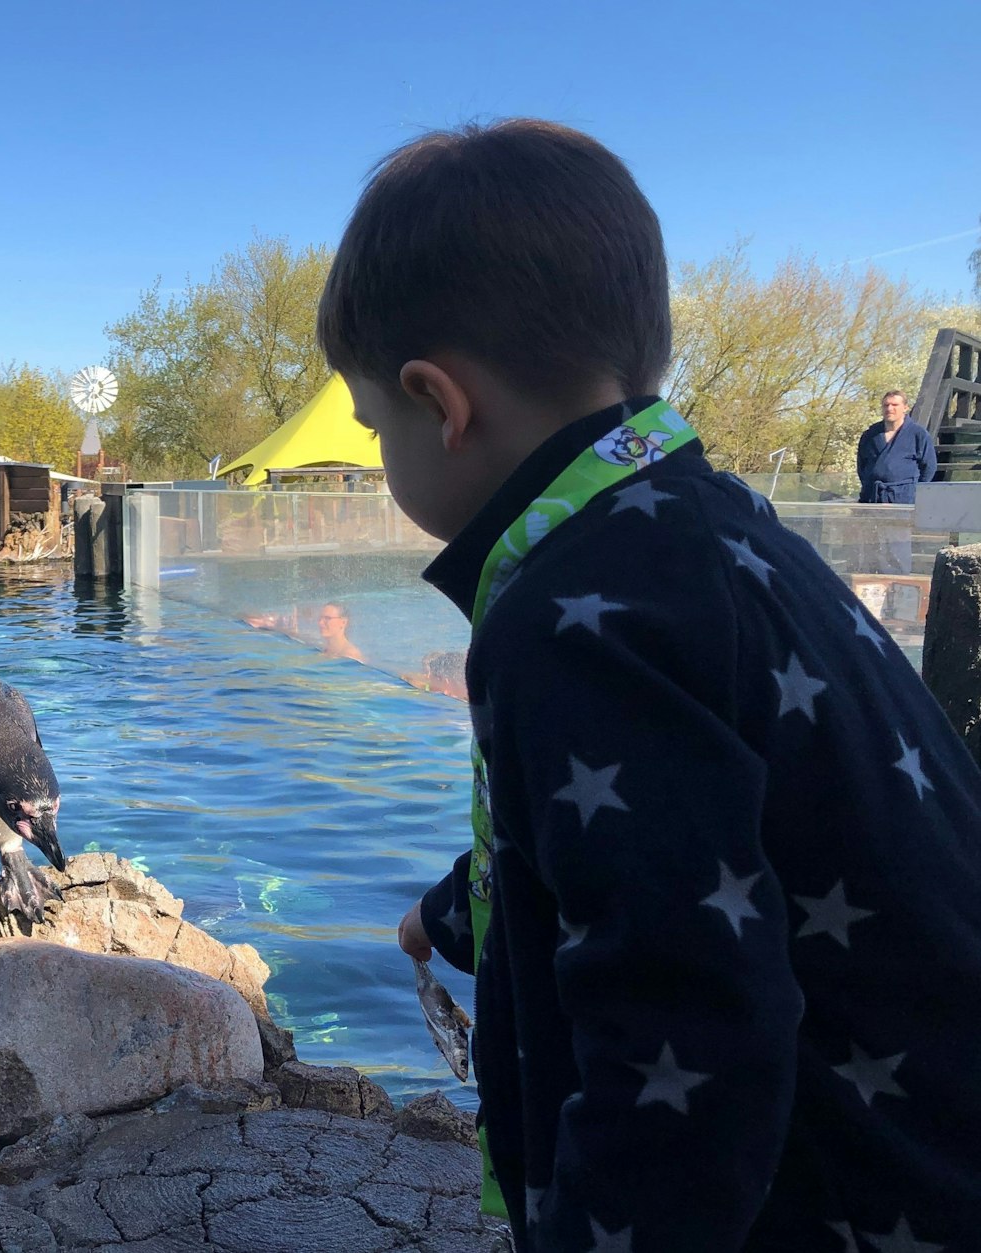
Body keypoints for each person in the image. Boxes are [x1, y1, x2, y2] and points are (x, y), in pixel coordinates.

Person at [318, 119, 981, 1249]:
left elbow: (683, 1029)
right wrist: (457, 911)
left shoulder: (567, 618)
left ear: (439, 402)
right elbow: (676, 819)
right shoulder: (713, 531)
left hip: (840, 1205)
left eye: (377, 424)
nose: (384, 457)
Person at [856, 391, 936, 505]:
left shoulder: (918, 434)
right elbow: (861, 466)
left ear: (905, 408)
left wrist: (914, 492)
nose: (889, 408)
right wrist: (869, 484)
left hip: (904, 498)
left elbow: (929, 467)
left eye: (894, 405)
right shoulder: (870, 434)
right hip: (872, 497)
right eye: (886, 405)